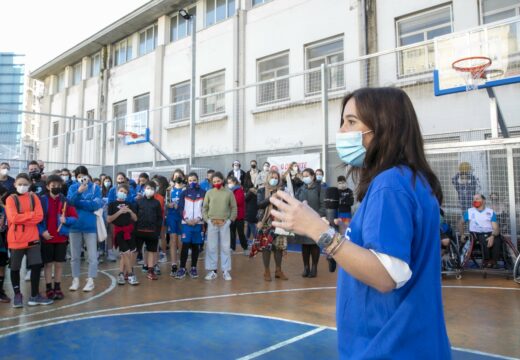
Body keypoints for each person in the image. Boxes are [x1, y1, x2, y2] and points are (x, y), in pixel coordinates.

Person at [269, 87, 451, 358]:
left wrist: (317, 230)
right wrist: (328, 229)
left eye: (351, 121)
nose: (342, 131)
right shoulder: (409, 180)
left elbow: (387, 274)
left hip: (389, 347)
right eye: (342, 122)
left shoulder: (390, 184)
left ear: (384, 126)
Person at [5, 173, 53, 307]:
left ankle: (34, 295)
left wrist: (23, 217)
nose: (22, 186)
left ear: (30, 185)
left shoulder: (34, 197)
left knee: (36, 266)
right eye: (19, 184)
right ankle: (17, 295)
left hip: (32, 238)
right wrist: (30, 215)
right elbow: (13, 218)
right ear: (14, 185)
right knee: (15, 267)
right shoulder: (10, 199)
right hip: (16, 239)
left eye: (25, 184)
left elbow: (39, 216)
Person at [38, 175, 78, 300]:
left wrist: (65, 219)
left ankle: (57, 287)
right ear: (47, 186)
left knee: (59, 265)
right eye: (53, 185)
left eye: (58, 186)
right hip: (47, 237)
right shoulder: (42, 200)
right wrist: (42, 232)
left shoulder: (66, 201)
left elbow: (75, 218)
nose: (56, 188)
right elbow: (37, 219)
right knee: (48, 265)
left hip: (61, 238)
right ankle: (49, 288)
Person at [67, 166, 104, 292]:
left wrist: (80, 203)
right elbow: (70, 202)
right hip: (74, 226)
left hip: (90, 226)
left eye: (84, 175)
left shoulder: (95, 187)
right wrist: (78, 192)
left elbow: (97, 204)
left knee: (92, 256)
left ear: (88, 175)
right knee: (75, 256)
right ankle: (75, 279)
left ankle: (91, 279)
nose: (82, 178)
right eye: (78, 176)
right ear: (76, 177)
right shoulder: (73, 187)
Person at [254, 170, 288, 281]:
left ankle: (278, 270)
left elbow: (287, 204)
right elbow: (259, 204)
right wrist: (271, 198)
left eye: (276, 178)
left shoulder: (282, 190)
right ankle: (266, 271)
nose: (274, 179)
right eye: (272, 177)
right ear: (268, 178)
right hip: (266, 221)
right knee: (266, 247)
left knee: (278, 247)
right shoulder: (262, 190)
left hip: (279, 220)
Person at [202, 172, 237, 281]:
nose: (216, 183)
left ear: (222, 180)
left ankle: (225, 270)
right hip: (212, 223)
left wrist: (229, 221)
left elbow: (234, 208)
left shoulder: (229, 193)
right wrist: (207, 220)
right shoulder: (209, 193)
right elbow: (204, 208)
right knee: (211, 247)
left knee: (225, 247)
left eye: (218, 181)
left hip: (224, 223)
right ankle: (213, 271)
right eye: (214, 181)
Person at [295, 168, 325, 278]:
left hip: (315, 220)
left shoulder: (320, 189)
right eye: (304, 176)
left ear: (313, 176)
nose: (305, 178)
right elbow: (296, 202)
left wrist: (317, 216)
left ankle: (314, 267)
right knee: (305, 245)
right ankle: (306, 267)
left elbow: (323, 206)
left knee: (314, 245)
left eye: (307, 175)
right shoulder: (300, 189)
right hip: (303, 221)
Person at [175, 172, 205, 279]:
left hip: (198, 223)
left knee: (196, 246)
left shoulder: (203, 192)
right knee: (185, 245)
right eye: (190, 180)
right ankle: (182, 268)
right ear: (187, 181)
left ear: (198, 180)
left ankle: (193, 267)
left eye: (194, 180)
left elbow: (205, 208)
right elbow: (180, 208)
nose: (192, 182)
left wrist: (198, 219)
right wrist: (186, 220)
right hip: (186, 224)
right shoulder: (184, 192)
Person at [107, 183, 139, 285]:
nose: (123, 193)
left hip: (129, 231)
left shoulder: (130, 204)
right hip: (119, 232)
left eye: (125, 192)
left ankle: (121, 274)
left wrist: (129, 211)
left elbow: (135, 218)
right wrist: (119, 212)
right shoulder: (112, 204)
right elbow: (108, 219)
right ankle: (130, 274)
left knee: (129, 253)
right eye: (121, 191)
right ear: (117, 192)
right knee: (125, 252)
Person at [460, 194, 502, 269]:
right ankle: (486, 261)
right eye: (474, 199)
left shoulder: (490, 212)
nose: (475, 200)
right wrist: (462, 234)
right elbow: (460, 223)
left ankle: (493, 261)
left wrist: (492, 236)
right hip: (475, 234)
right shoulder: (470, 211)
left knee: (497, 238)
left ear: (483, 201)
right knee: (484, 237)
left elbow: (496, 228)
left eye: (477, 198)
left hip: (489, 232)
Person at [135, 182, 163, 280]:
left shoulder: (156, 203)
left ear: (155, 190)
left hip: (152, 232)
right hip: (139, 231)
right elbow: (134, 217)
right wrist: (134, 230)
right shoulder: (138, 202)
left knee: (151, 251)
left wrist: (157, 231)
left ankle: (150, 271)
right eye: (147, 188)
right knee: (135, 251)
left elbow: (160, 218)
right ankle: (129, 271)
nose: (149, 190)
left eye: (151, 188)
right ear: (144, 189)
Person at [166, 169, 186, 276]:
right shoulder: (169, 190)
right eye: (175, 176)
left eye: (179, 176)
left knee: (181, 241)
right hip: (172, 216)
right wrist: (169, 205)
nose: (177, 177)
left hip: (182, 216)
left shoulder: (186, 189)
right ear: (173, 177)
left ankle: (182, 264)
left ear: (183, 177)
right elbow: (166, 203)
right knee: (173, 240)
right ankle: (174, 264)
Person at [227, 176, 248, 254]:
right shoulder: (228, 191)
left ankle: (245, 248)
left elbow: (238, 201)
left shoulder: (239, 190)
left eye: (230, 182)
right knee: (231, 233)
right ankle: (232, 248)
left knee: (241, 233)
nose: (229, 184)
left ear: (234, 182)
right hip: (231, 216)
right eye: (228, 183)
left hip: (239, 216)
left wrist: (229, 202)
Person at [0, 185, 10, 302]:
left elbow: (4, 228)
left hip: (2, 244)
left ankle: (0, 291)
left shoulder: (4, 209)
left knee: (1, 267)